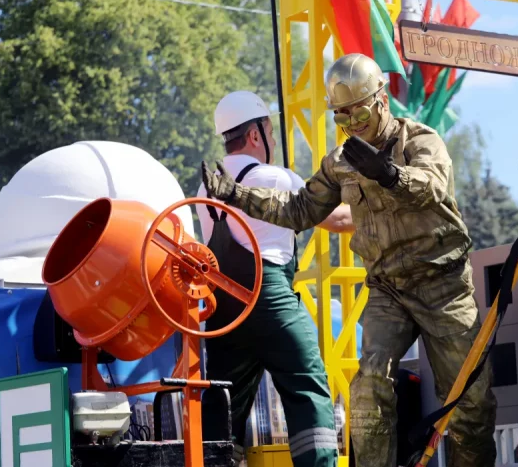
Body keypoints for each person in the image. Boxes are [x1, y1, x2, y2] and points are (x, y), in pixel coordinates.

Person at [200, 55, 498, 467]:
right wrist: (238, 196)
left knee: (471, 403)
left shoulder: (421, 141)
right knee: (369, 386)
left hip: (443, 285)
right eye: (343, 117)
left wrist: (392, 175)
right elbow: (300, 208)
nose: (353, 125)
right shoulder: (341, 162)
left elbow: (432, 185)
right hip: (388, 289)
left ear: (381, 101)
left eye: (359, 112)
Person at [197, 90, 353, 467]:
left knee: (223, 404)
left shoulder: (205, 188)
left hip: (223, 312)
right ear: (256, 135)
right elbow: (341, 220)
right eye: (269, 130)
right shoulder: (275, 177)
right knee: (307, 386)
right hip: (269, 300)